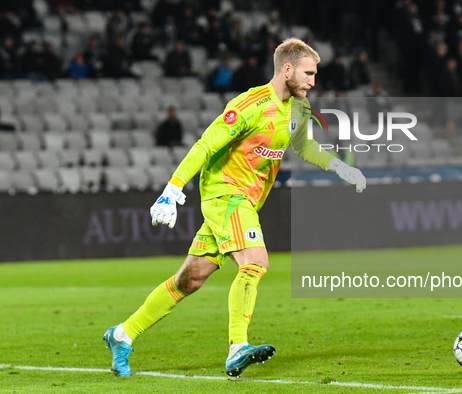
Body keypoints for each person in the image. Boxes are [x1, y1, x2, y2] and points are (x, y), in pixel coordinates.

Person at [103, 37, 366, 378]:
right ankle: (237, 346)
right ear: (287, 69)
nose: (313, 81)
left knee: (190, 279)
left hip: (245, 201)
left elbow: (303, 145)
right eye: (308, 73)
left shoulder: (299, 108)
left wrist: (339, 167)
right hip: (225, 194)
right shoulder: (250, 104)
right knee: (255, 262)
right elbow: (205, 144)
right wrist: (172, 188)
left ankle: (122, 334)